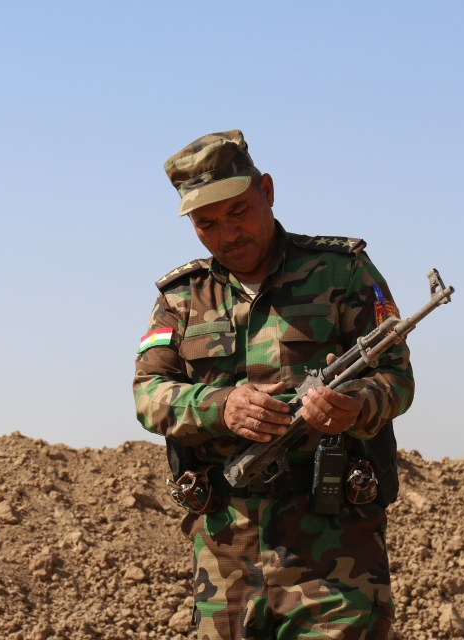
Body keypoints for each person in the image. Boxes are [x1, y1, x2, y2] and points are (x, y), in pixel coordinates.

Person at [133, 130, 414, 639]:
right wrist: (220, 406)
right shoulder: (181, 298)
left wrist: (354, 406)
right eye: (207, 223)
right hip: (226, 556)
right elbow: (149, 394)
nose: (227, 234)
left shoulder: (342, 272)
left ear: (267, 189)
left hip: (334, 554)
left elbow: (396, 377)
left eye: (238, 211)